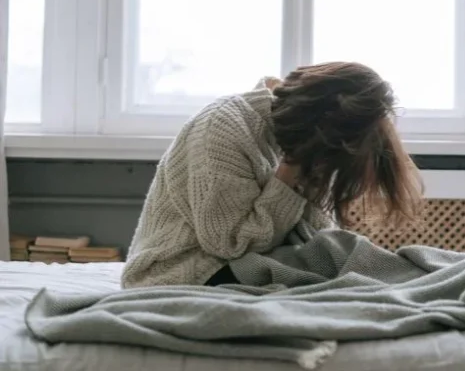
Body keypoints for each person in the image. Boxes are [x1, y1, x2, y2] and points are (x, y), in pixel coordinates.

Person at [121, 62, 424, 288]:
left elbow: (313, 234)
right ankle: (423, 280)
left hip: (239, 264)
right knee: (336, 254)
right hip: (181, 271)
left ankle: (428, 276)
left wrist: (307, 180)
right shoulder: (223, 127)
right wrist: (288, 172)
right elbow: (229, 243)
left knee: (336, 252)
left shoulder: (302, 138)